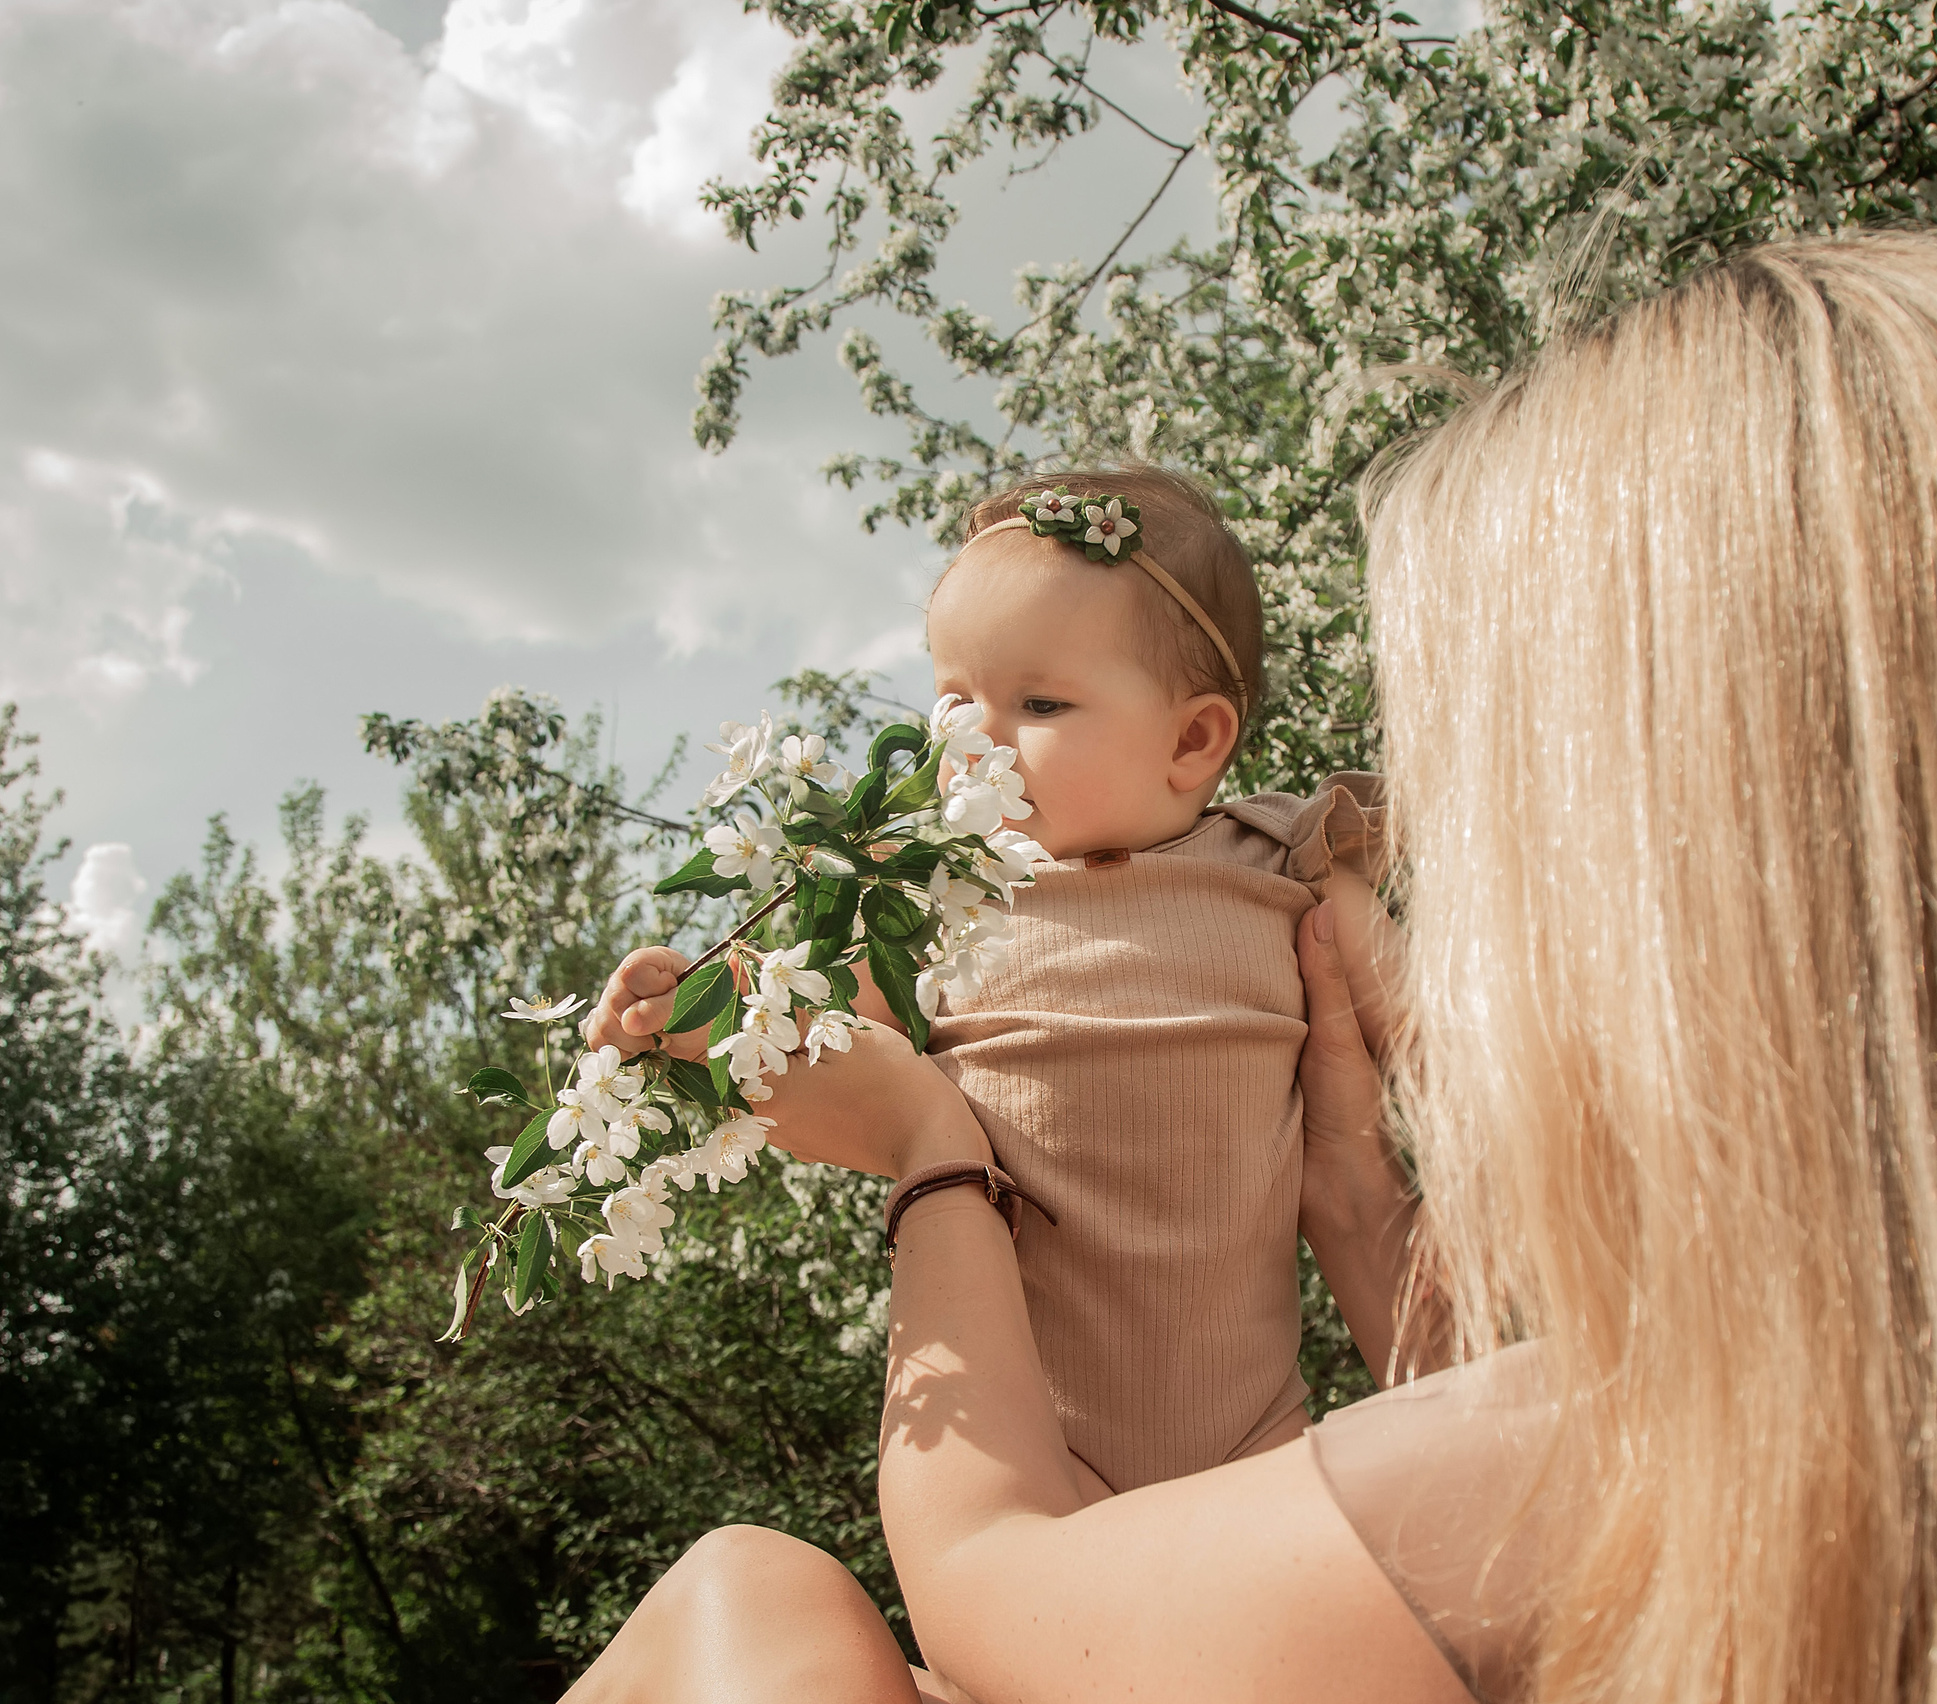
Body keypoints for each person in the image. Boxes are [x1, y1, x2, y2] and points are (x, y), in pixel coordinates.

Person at [565, 233, 1937, 1704]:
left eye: (1504, 803)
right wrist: (1361, 1203)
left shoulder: (1672, 1440)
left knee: (751, 1601)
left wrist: (926, 1151)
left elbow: (1003, 1592)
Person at [591, 467, 1393, 1496]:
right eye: (952, 702)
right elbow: (814, 1057)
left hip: (1258, 1437)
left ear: (1193, 740)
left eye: (1039, 702)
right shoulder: (934, 912)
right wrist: (680, 1019)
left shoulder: (1278, 862)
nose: (972, 744)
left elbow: (1452, 1020)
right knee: (1033, 1645)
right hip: (1029, 1442)